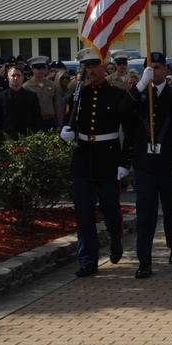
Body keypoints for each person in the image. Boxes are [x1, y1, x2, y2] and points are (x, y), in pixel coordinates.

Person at [59, 47, 133, 277]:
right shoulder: (78, 95)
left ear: (104, 67)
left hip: (108, 157)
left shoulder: (117, 95)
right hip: (83, 157)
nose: (91, 71)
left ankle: (116, 239)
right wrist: (65, 133)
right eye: (87, 67)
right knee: (83, 212)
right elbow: (68, 122)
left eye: (94, 66)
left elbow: (129, 132)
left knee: (111, 208)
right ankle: (88, 259)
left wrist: (124, 162)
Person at [126, 52, 172, 279]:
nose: (155, 71)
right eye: (151, 68)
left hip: (168, 164)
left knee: (171, 209)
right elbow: (124, 111)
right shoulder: (139, 95)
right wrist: (139, 85)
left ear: (166, 70)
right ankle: (144, 260)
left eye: (159, 67)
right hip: (145, 165)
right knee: (145, 213)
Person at [0, 65, 42, 137]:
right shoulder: (1, 96)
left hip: (28, 136)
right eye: (13, 75)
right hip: (7, 138)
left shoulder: (32, 96)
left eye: (18, 75)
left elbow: (37, 118)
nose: (16, 78)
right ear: (8, 78)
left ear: (22, 77)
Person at [24, 56, 62, 131]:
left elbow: (57, 104)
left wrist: (59, 124)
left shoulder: (52, 85)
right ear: (32, 69)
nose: (41, 70)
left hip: (49, 120)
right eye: (38, 68)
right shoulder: (26, 87)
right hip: (34, 121)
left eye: (43, 68)